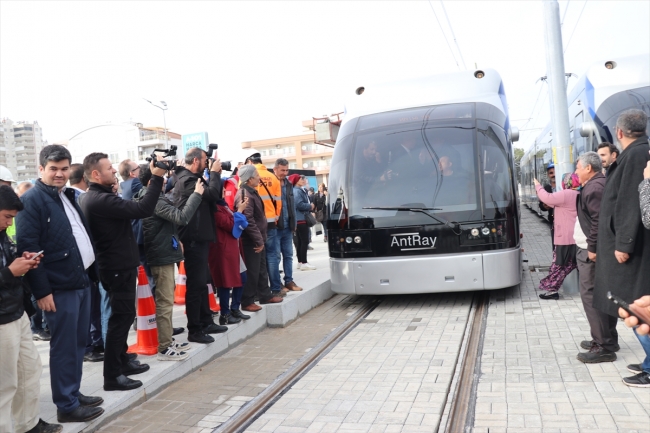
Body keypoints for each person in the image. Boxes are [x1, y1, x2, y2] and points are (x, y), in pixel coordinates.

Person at [16, 145, 104, 422]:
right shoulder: (32, 200)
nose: (59, 173)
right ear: (41, 169)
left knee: (78, 343)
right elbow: (29, 248)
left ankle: (73, 393)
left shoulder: (68, 196)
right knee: (65, 346)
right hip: (58, 287)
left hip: (79, 281)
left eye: (64, 168)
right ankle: (66, 406)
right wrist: (42, 291)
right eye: (53, 168)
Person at [80, 152, 166, 391]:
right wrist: (157, 177)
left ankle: (122, 361)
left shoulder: (99, 197)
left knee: (125, 317)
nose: (114, 171)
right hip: (116, 269)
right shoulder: (100, 200)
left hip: (118, 267)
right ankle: (112, 376)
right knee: (120, 321)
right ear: (96, 174)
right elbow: (144, 208)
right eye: (109, 168)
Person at [593, 109, 650, 384]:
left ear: (619, 132)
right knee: (633, 304)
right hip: (630, 246)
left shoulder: (637, 154)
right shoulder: (637, 152)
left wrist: (623, 243)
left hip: (632, 250)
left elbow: (630, 202)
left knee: (635, 306)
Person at [0, 185, 63, 433]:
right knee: (5, 383)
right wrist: (9, 272)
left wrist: (23, 260)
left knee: (29, 370)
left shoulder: (3, 234)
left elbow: (9, 262)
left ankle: (29, 425)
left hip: (17, 312)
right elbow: (6, 271)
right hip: (2, 320)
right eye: (6, 216)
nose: (9, 223)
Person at [136, 164, 203, 361]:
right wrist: (196, 195)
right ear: (151, 180)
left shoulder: (150, 195)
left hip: (163, 251)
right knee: (165, 302)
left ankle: (167, 340)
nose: (165, 180)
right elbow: (181, 217)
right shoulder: (153, 198)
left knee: (165, 300)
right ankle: (164, 347)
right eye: (160, 176)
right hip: (161, 255)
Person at [173, 148, 227, 344]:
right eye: (205, 160)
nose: (208, 163)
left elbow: (216, 196)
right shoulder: (187, 180)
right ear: (196, 160)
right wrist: (214, 173)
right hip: (193, 239)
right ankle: (194, 330)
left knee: (202, 282)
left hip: (200, 237)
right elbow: (212, 194)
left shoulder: (191, 177)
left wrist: (212, 174)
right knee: (195, 286)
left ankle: (206, 320)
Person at [573, 152, 619, 363]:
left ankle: (603, 345)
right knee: (601, 293)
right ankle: (607, 339)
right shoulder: (597, 184)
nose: (576, 172)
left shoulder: (595, 187)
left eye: (578, 168)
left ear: (588, 168)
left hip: (592, 252)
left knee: (592, 296)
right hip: (594, 249)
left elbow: (598, 220)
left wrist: (592, 247)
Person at [235, 165, 283, 311]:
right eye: (257, 175)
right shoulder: (245, 194)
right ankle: (247, 300)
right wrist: (258, 240)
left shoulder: (251, 192)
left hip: (258, 238)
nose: (259, 177)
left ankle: (265, 295)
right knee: (253, 270)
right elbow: (248, 220)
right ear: (249, 179)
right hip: (251, 240)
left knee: (261, 269)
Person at [534, 173, 580, 300]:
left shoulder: (567, 194)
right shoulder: (577, 194)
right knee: (570, 264)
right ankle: (550, 287)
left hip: (565, 238)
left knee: (558, 265)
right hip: (573, 237)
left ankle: (551, 288)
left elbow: (546, 197)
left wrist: (538, 186)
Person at [208, 193, 251, 324]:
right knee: (225, 282)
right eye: (222, 188)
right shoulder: (214, 208)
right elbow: (230, 225)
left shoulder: (224, 205)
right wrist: (239, 211)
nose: (224, 191)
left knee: (242, 277)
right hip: (222, 249)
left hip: (233, 248)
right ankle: (225, 314)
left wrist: (237, 211)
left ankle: (235, 308)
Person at [268, 159, 302, 296]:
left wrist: (294, 223)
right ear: (275, 169)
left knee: (288, 255)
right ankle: (277, 285)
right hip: (275, 227)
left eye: (287, 170)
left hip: (288, 226)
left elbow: (291, 205)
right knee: (275, 257)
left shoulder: (288, 184)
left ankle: (289, 281)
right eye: (282, 170)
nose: (285, 173)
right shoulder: (270, 184)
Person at [289, 174, 316, 271]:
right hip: (300, 219)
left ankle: (301, 262)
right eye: (301, 179)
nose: (303, 180)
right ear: (296, 181)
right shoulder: (297, 191)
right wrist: (310, 206)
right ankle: (304, 262)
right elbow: (299, 204)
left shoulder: (298, 190)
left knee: (300, 241)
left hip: (299, 219)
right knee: (304, 241)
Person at [540, 163, 556, 250]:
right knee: (555, 245)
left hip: (566, 221)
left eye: (555, 172)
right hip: (553, 221)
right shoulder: (546, 188)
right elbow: (541, 205)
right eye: (551, 173)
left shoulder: (565, 186)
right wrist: (544, 206)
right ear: (548, 175)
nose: (553, 175)